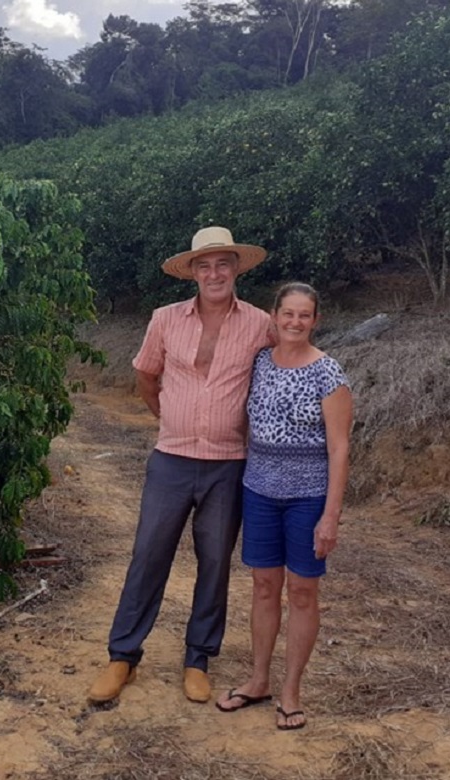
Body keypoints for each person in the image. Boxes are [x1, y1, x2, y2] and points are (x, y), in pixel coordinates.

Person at [88, 226, 274, 705]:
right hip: (171, 458)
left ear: (236, 269)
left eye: (223, 264)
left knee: (214, 563)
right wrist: (171, 417)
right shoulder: (165, 319)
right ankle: (123, 656)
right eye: (204, 265)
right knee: (149, 553)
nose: (214, 273)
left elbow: (277, 374)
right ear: (191, 272)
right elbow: (147, 376)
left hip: (228, 464)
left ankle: (198, 659)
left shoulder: (259, 324)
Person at [214, 282, 352, 731]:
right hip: (258, 491)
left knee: (304, 591)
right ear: (273, 316)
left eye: (304, 315)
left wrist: (330, 515)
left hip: (308, 497)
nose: (295, 322)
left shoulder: (328, 374)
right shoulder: (260, 363)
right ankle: (258, 680)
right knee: (263, 587)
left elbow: (340, 447)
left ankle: (291, 692)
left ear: (316, 320)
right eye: (287, 313)